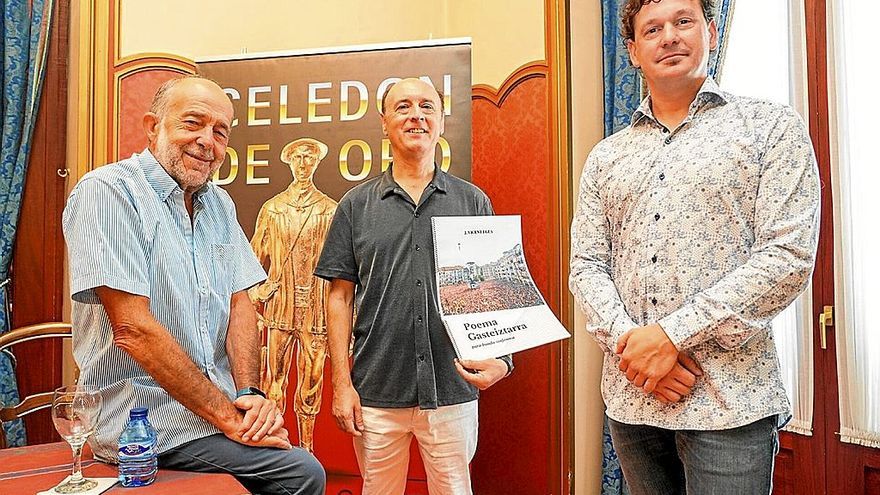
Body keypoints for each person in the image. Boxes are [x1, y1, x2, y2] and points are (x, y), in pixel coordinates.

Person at [568, 0, 820, 493]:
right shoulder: (606, 156)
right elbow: (587, 265)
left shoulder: (771, 128)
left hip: (731, 400)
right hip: (633, 400)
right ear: (633, 51)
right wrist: (636, 353)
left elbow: (787, 256)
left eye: (684, 22)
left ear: (710, 29)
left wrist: (670, 337)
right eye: (652, 29)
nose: (669, 37)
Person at [62, 75, 326, 495]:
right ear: (153, 126)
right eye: (193, 124)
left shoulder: (219, 203)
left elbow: (241, 303)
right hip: (142, 422)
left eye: (220, 132)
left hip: (211, 412)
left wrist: (249, 394)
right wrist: (229, 419)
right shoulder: (108, 192)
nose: (208, 141)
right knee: (300, 473)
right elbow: (133, 329)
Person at [315, 78, 513, 495]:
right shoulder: (355, 205)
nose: (416, 115)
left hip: (452, 387)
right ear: (384, 122)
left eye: (427, 106)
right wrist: (342, 384)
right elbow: (339, 296)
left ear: (441, 122)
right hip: (376, 390)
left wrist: (503, 358)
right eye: (402, 107)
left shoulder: (472, 202)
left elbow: (499, 287)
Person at [250, 137, 337, 452]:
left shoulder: (329, 210)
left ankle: (308, 447)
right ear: (289, 161)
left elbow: (342, 268)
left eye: (309, 157)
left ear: (316, 162)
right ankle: (274, 446)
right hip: (280, 307)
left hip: (315, 309)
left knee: (311, 383)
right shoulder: (273, 209)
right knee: (273, 380)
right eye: (298, 157)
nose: (303, 163)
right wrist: (259, 291)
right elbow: (252, 258)